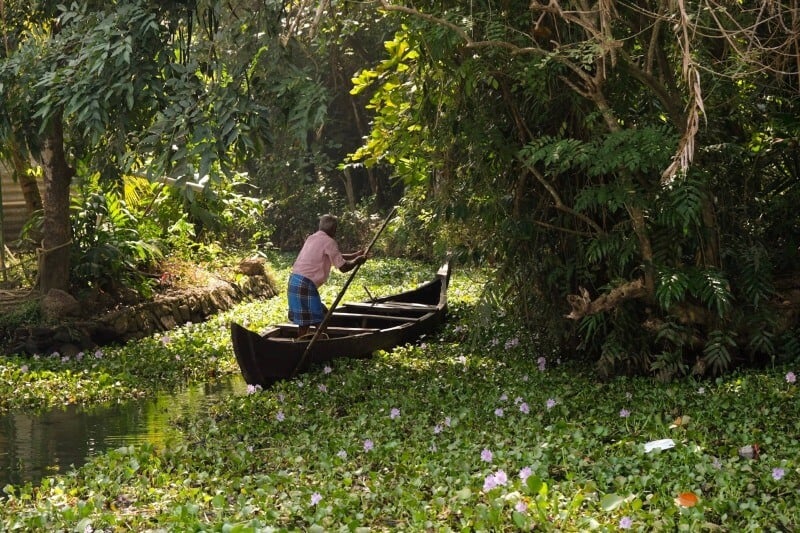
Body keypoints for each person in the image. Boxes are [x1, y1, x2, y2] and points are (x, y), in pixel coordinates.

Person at [288, 214, 367, 338]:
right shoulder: (329, 242)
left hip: (294, 281)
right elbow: (343, 268)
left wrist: (354, 255)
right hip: (305, 284)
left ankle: (302, 340)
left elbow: (333, 255)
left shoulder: (311, 238)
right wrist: (357, 260)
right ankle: (320, 343)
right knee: (320, 319)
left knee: (306, 319)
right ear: (333, 229)